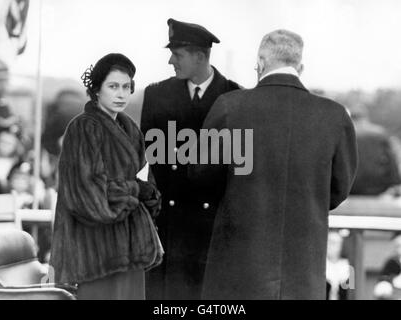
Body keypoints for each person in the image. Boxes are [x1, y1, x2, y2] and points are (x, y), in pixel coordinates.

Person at [191, 29, 358, 299]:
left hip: (238, 271)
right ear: (300, 67)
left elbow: (200, 176)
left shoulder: (229, 107)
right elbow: (339, 189)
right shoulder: (334, 116)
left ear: (261, 61)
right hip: (303, 274)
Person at [140, 18, 241, 300]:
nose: (171, 61)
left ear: (200, 56)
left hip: (211, 232)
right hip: (168, 229)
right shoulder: (157, 95)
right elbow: (149, 158)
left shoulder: (235, 96)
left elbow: (238, 168)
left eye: (178, 54)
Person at [49, 53, 163, 300]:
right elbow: (87, 197)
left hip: (130, 250)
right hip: (97, 252)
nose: (121, 94)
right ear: (97, 90)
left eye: (126, 87)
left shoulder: (130, 128)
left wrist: (147, 192)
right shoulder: (82, 128)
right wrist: (135, 191)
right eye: (113, 86)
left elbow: (143, 179)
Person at [349, 104, 401, 195]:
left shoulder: (343, 133)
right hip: (377, 186)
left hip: (350, 186)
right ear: (365, 116)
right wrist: (396, 183)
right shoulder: (380, 133)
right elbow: (391, 160)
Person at [373, 233, 401, 299]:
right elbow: (383, 280)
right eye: (397, 246)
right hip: (394, 292)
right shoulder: (392, 262)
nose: (399, 249)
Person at [326, 231, 351, 300]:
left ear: (341, 246)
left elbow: (352, 290)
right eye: (328, 242)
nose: (329, 246)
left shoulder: (348, 266)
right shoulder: (321, 266)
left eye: (333, 243)